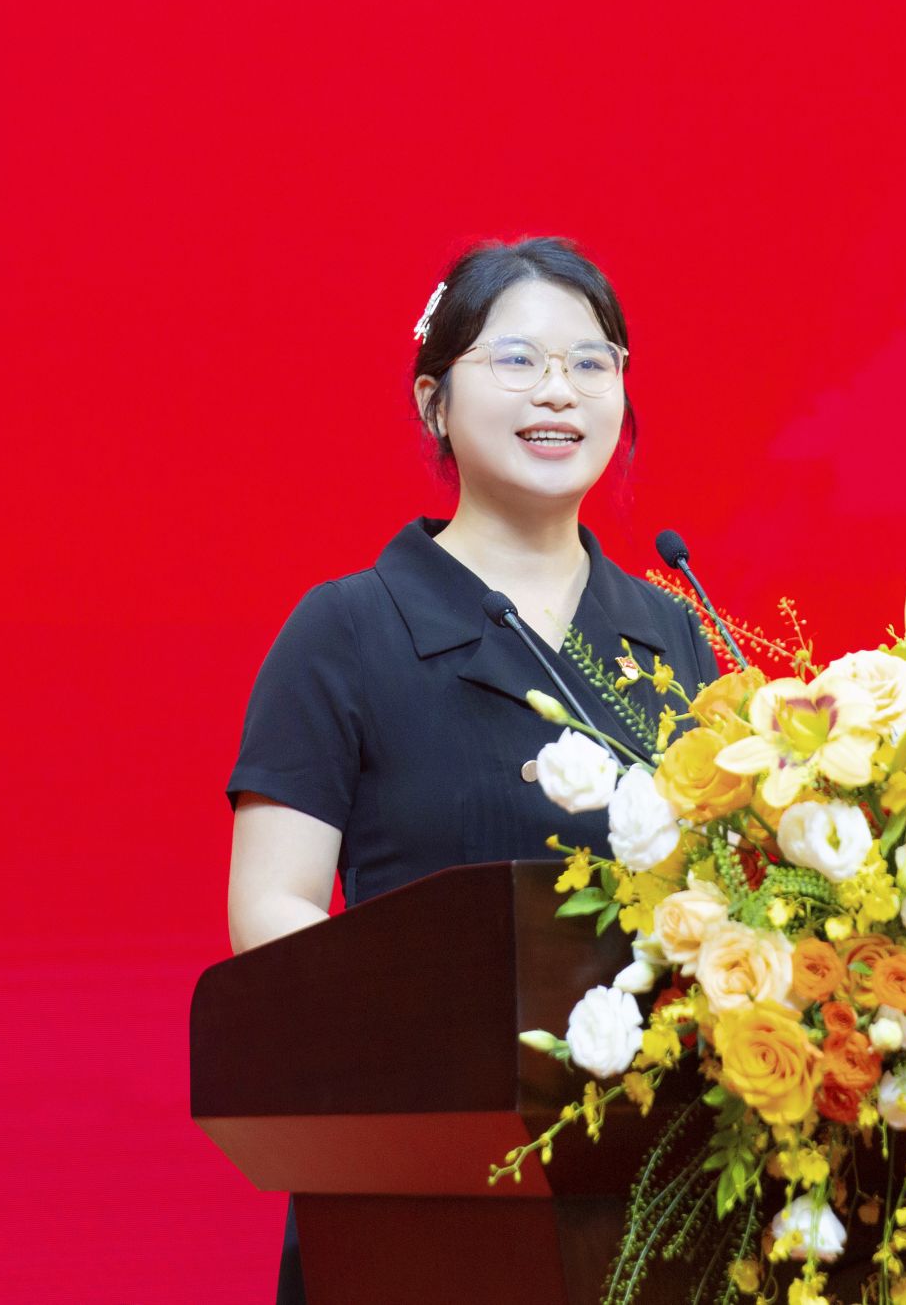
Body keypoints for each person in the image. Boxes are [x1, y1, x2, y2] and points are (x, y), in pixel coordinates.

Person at [223, 237, 719, 1304]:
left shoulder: (672, 635)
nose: (559, 391)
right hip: (416, 1177)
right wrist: (439, 1026)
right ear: (434, 401)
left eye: (591, 362)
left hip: (649, 1190)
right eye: (518, 360)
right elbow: (268, 909)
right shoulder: (348, 629)